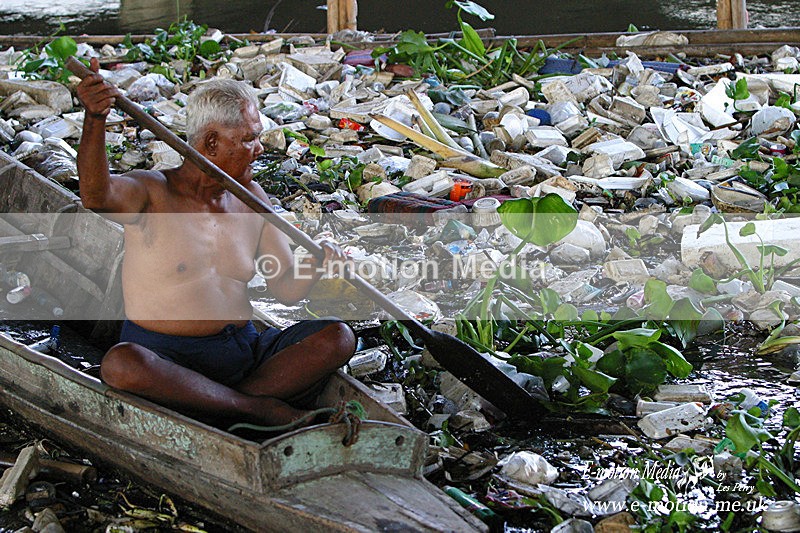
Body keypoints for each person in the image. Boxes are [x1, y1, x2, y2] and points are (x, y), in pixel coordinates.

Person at [75, 58, 355, 427]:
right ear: (211, 142)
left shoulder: (253, 198)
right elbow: (96, 196)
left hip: (242, 353)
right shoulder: (153, 192)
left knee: (338, 336)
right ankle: (255, 409)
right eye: (249, 139)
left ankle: (224, 404)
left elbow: (286, 288)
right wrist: (95, 120)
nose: (260, 148)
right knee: (122, 364)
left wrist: (318, 264)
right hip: (166, 358)